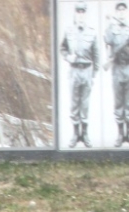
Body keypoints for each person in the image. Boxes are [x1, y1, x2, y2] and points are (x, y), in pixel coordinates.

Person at [61, 2, 100, 147]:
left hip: (87, 70)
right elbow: (63, 48)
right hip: (74, 71)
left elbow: (96, 55)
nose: (81, 14)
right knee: (74, 103)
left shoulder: (92, 32)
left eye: (83, 12)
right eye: (78, 12)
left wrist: (94, 74)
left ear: (86, 14)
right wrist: (67, 57)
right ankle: (75, 134)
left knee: (85, 104)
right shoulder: (69, 31)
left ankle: (85, 134)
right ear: (75, 14)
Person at [105, 1, 129, 146]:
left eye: (123, 10)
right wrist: (108, 24)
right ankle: (120, 134)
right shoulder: (112, 28)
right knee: (118, 102)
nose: (121, 13)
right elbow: (108, 40)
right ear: (116, 12)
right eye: (118, 10)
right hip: (117, 68)